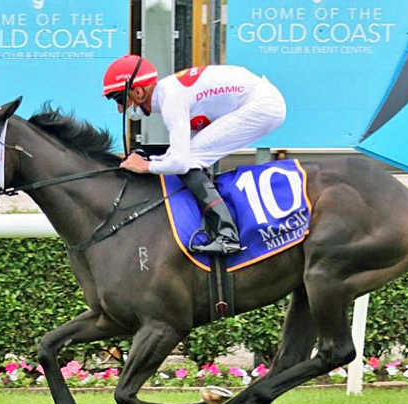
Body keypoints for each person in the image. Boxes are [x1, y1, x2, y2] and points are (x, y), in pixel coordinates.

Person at [102, 54, 287, 255]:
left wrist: (146, 166)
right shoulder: (170, 93)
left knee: (189, 161)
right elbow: (177, 154)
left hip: (262, 106)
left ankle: (227, 236)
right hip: (261, 101)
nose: (119, 109)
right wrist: (151, 161)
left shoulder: (171, 98)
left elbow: (180, 162)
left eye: (120, 100)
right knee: (189, 156)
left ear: (138, 92)